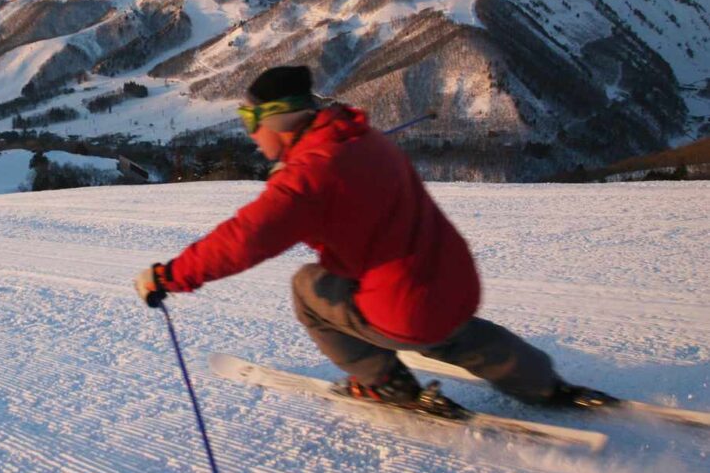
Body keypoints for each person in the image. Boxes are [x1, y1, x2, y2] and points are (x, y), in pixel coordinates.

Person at [134, 65, 610, 412]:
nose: (251, 135)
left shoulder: (308, 178)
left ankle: (384, 382)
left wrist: (167, 276)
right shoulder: (361, 137)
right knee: (453, 332)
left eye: (249, 121)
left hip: (407, 307)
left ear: (276, 121)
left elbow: (243, 240)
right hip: (457, 283)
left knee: (308, 289)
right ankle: (541, 383)